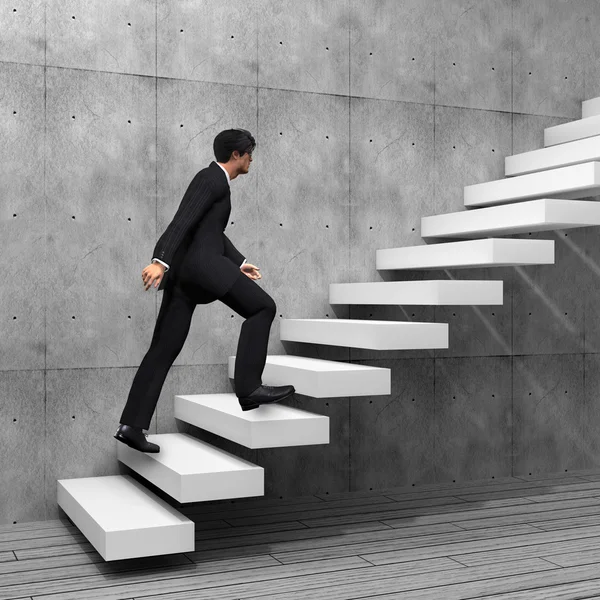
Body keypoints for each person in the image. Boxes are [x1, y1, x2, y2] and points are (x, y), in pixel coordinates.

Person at [114, 129, 295, 453]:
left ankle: (131, 425)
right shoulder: (210, 179)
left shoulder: (217, 183)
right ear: (237, 155)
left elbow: (208, 231)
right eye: (249, 153)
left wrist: (238, 263)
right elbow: (181, 222)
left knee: (163, 349)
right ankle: (250, 387)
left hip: (188, 274)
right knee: (262, 308)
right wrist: (159, 261)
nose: (252, 159)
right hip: (202, 267)